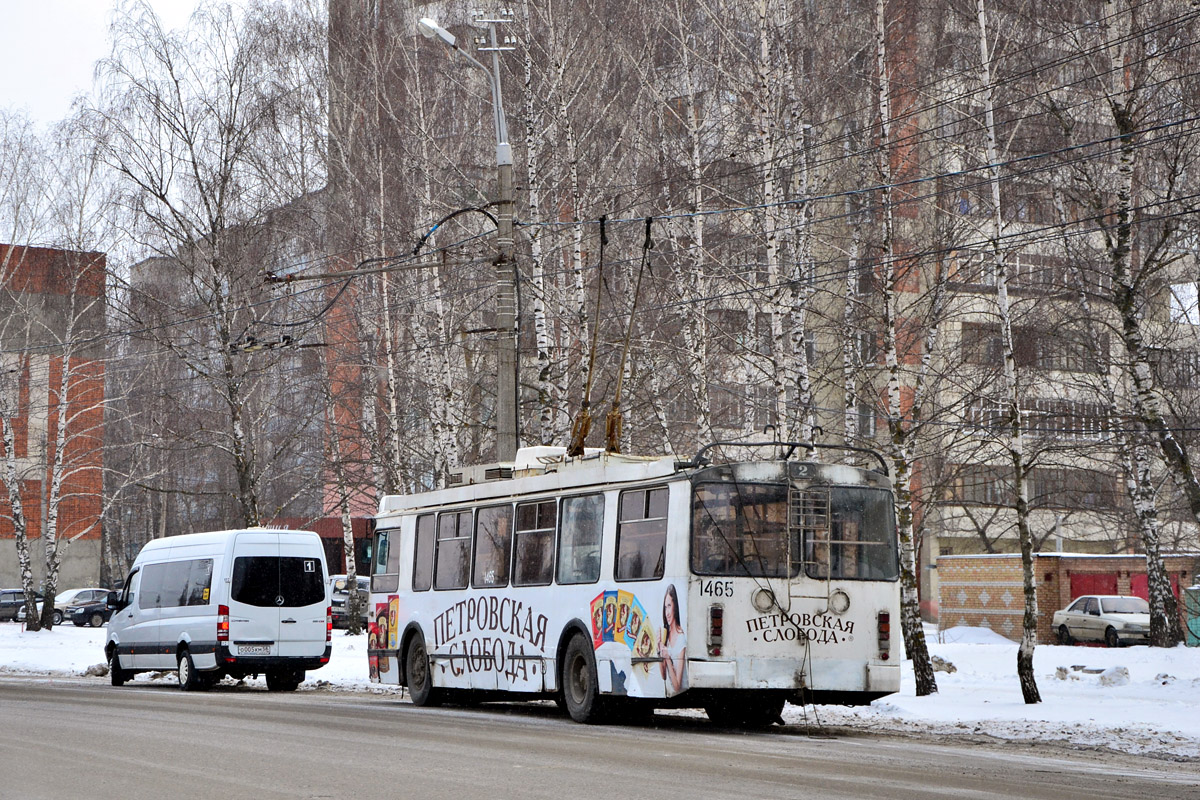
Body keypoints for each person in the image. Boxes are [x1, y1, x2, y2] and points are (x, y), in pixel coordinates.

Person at [658, 584, 686, 694]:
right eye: (665, 608)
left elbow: (677, 686)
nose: (667, 613)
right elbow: (663, 676)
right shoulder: (666, 635)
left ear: (675, 606)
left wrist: (668, 659)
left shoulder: (681, 638)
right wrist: (659, 649)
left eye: (669, 606)